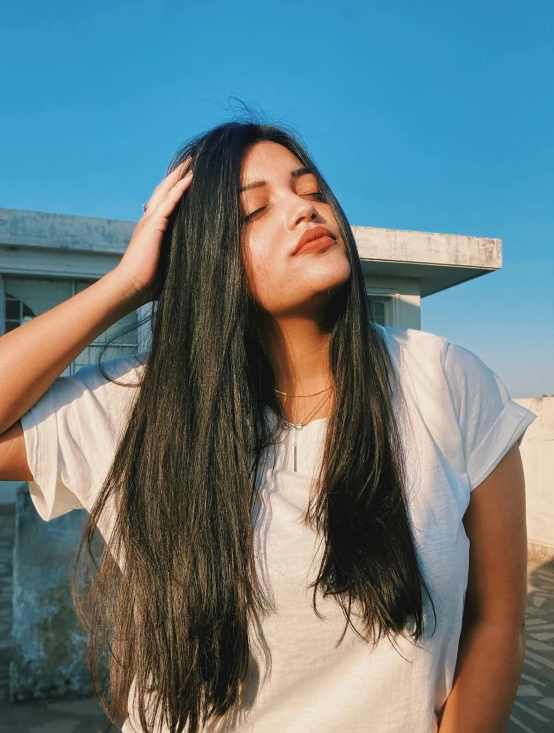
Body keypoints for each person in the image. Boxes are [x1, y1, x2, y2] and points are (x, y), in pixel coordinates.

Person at [0, 117, 537, 733]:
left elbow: (496, 620)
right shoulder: (139, 408)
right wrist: (126, 285)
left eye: (311, 192)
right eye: (254, 210)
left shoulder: (444, 381)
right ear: (205, 260)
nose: (304, 212)